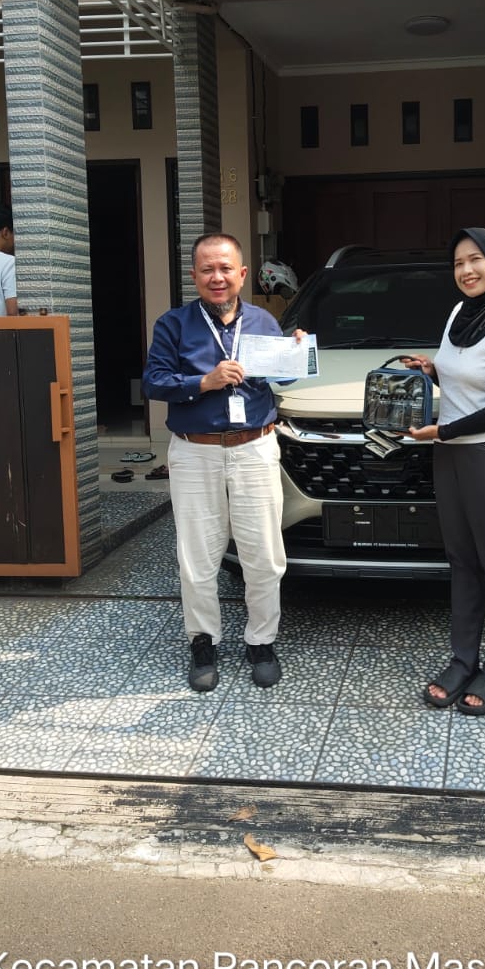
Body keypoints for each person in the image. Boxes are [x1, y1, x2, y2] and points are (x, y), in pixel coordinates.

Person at [142, 232, 304, 693]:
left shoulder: (263, 321)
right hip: (195, 450)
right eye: (207, 269)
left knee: (264, 554)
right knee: (197, 555)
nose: (217, 277)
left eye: (226, 268)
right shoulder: (173, 325)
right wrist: (204, 382)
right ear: (194, 275)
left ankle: (262, 641)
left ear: (242, 274)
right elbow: (153, 383)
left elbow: (284, 378)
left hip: (255, 447)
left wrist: (296, 350)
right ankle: (203, 641)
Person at [401, 228, 485, 716]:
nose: (466, 270)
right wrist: (432, 369)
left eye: (475, 259)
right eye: (458, 263)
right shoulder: (459, 313)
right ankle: (463, 660)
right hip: (451, 456)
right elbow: (464, 373)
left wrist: (441, 431)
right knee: (462, 561)